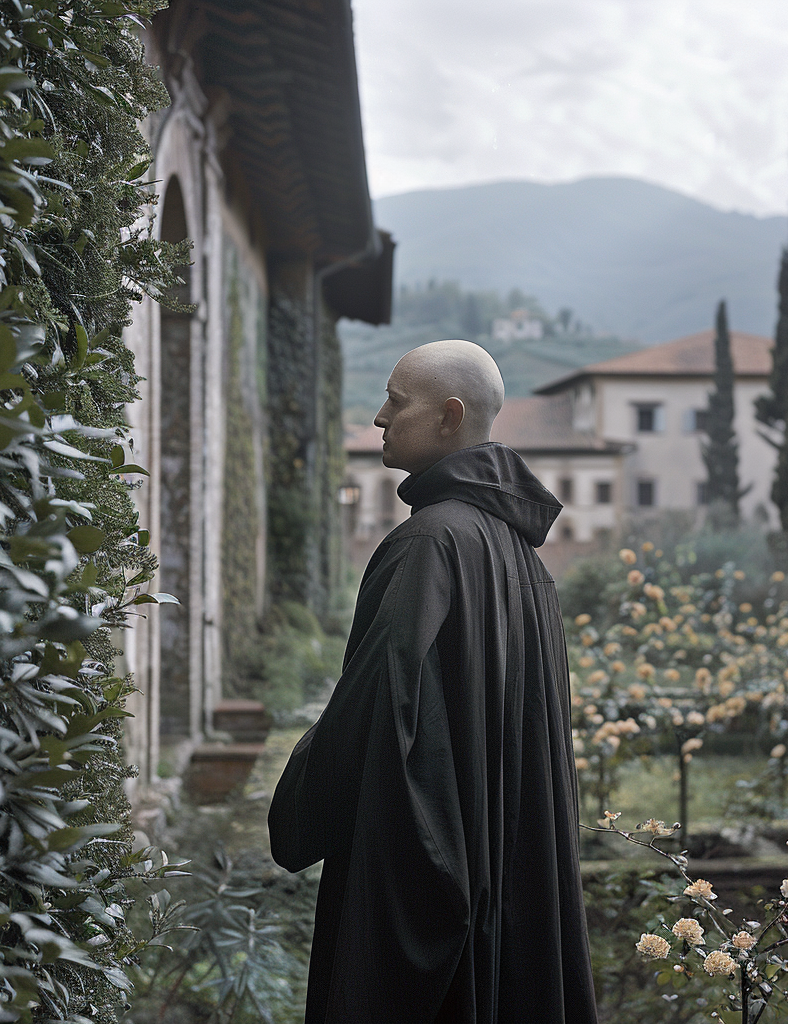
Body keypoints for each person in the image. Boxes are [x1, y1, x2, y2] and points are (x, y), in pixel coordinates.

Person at [268, 340, 598, 1023]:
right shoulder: (524, 561)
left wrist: (299, 807)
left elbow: (374, 714)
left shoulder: (427, 544)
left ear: (449, 415)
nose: (379, 418)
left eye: (396, 400)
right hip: (507, 868)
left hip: (439, 885)